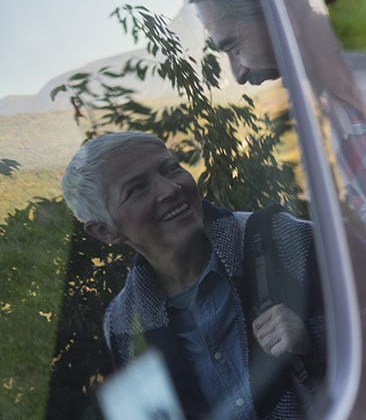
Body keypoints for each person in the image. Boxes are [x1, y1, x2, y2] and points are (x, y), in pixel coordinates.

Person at [61, 132, 324, 420]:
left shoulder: (279, 238)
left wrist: (312, 339)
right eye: (136, 189)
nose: (170, 189)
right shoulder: (123, 322)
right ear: (105, 231)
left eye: (171, 168)